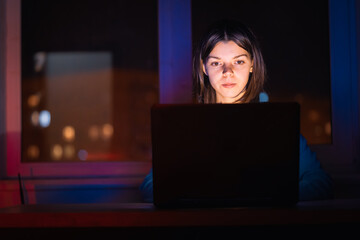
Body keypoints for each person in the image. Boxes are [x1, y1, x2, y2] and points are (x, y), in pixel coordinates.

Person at [140, 19, 333, 202]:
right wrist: (203, 194)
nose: (227, 72)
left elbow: (320, 182)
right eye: (216, 63)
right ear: (204, 67)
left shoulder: (275, 125)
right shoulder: (187, 127)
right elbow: (150, 187)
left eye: (238, 61)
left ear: (252, 64)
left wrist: (262, 195)